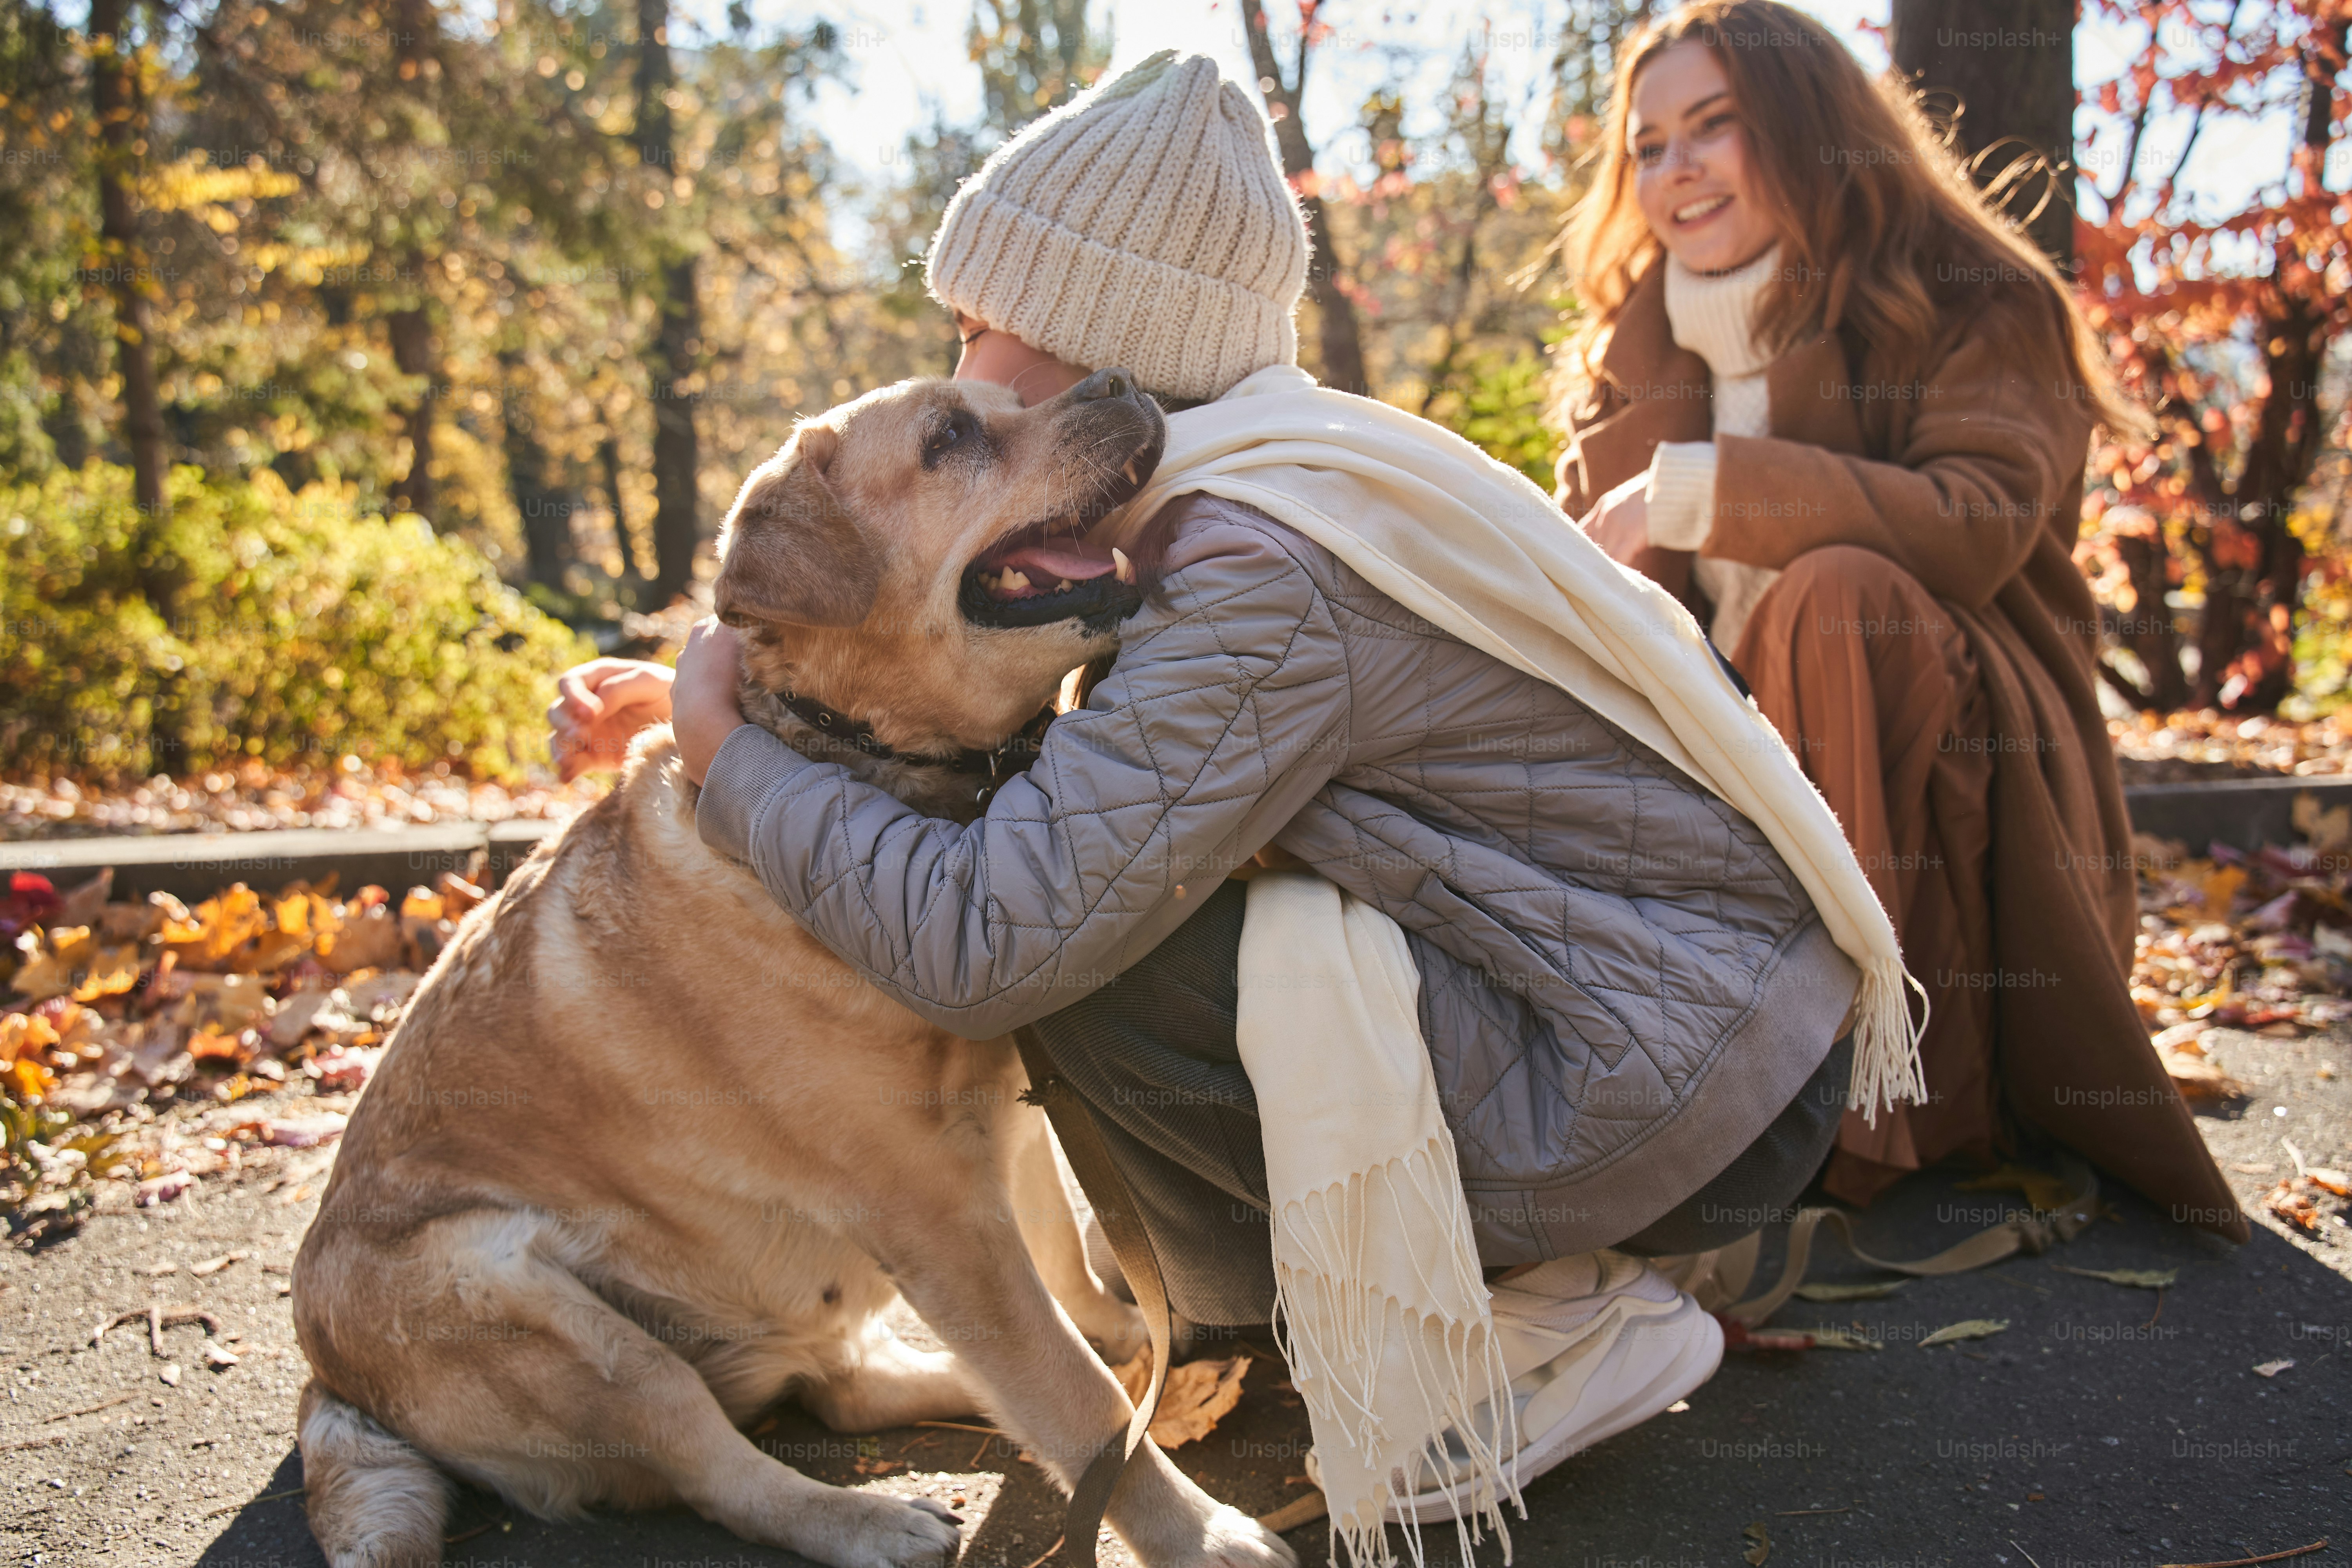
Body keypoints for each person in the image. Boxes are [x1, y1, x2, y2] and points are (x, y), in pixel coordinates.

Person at [552, 49, 1870, 1524]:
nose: (960, 360)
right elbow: (999, 695)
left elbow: (994, 940)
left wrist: (729, 758)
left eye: (981, 325)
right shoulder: (1290, 474)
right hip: (1699, 1027)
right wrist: (771, 685)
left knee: (1070, 942)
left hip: (1672, 1086)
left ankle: (1552, 1319)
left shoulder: (1252, 570)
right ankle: (1506, 1275)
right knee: (1099, 867)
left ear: (1089, 338)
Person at [1553, 0, 2243, 1238]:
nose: (1676, 168)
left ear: (1809, 126)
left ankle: (1867, 1102)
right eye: (1648, 147)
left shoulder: (1975, 297)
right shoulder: (1634, 348)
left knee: (1837, 600)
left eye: (1715, 125)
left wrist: (1703, 493)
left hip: (1955, 751)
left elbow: (1976, 521)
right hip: (1723, 768)